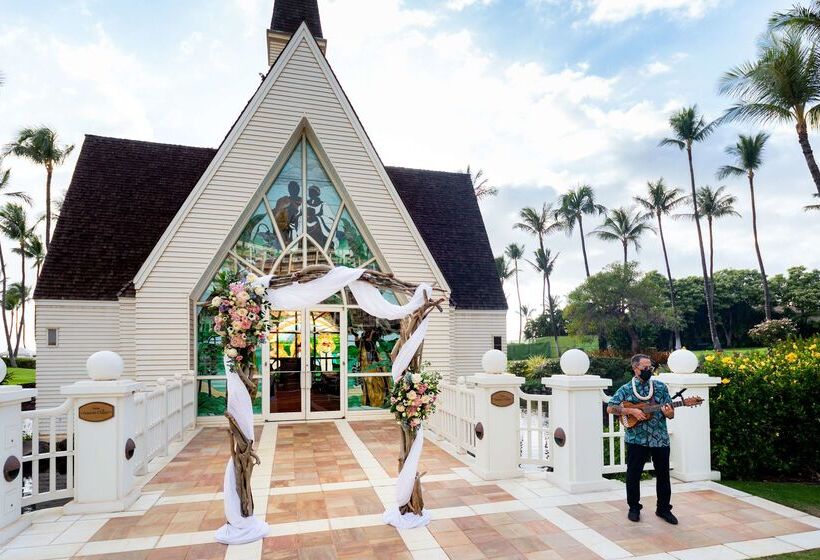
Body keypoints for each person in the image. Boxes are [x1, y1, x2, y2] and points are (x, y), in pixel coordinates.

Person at [607, 354, 678, 524]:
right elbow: (611, 408)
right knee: (633, 474)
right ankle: (634, 507)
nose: (648, 370)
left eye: (650, 368)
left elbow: (670, 412)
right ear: (635, 368)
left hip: (659, 438)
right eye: (644, 368)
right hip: (636, 439)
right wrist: (631, 411)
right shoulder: (625, 389)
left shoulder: (660, 387)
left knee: (663, 474)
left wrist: (670, 413)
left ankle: (663, 509)